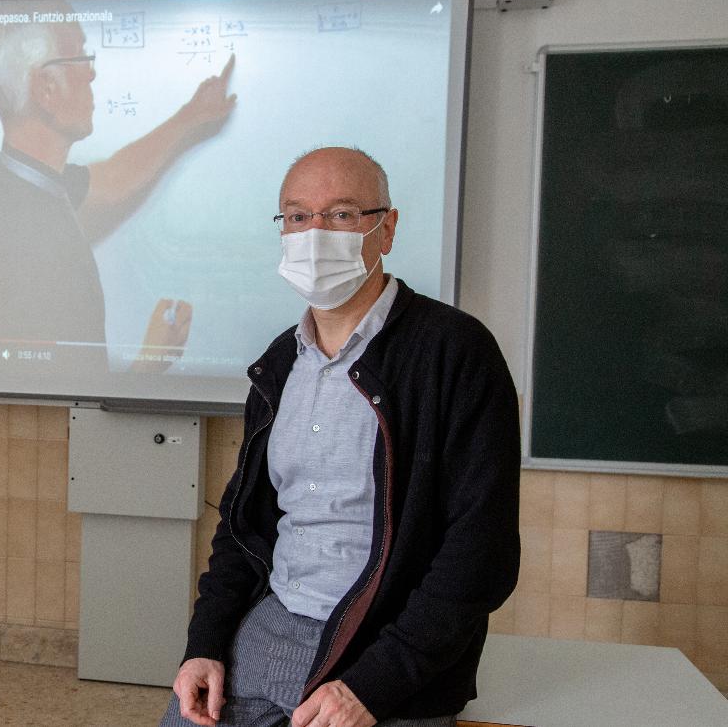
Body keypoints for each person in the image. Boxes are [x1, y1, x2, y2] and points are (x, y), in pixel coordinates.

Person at [162, 147, 520, 727]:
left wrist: (370, 688)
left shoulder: (455, 353)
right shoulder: (279, 364)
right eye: (298, 217)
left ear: (387, 228)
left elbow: (481, 555)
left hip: (385, 652)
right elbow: (241, 528)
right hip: (273, 626)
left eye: (342, 214)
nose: (314, 233)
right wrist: (203, 644)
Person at [0, 1, 232, 372]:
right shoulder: (22, 227)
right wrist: (151, 359)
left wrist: (191, 115)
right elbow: (56, 387)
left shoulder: (15, 182)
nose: (91, 73)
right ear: (46, 88)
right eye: (79, 56)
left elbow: (113, 177)